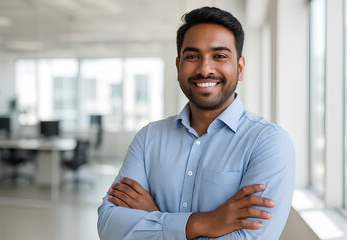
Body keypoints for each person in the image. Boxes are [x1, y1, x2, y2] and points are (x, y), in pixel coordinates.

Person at [98, 6, 295, 240]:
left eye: (219, 56)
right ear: (178, 66)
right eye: (192, 56)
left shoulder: (268, 143)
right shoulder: (149, 137)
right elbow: (109, 226)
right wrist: (205, 223)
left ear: (240, 68)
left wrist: (153, 216)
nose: (204, 69)